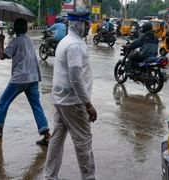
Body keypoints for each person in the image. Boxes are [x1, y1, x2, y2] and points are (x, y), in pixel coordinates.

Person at [44, 12, 98, 180]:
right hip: (73, 102)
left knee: (57, 138)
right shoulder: (74, 45)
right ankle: (89, 177)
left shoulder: (66, 41)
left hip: (61, 99)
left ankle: (50, 175)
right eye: (86, 24)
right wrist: (88, 104)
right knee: (83, 141)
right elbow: (75, 77)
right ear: (78, 24)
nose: (89, 27)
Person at [0, 18, 51, 146]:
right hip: (33, 78)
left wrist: (1, 41)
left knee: (4, 101)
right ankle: (46, 134)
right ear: (26, 28)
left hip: (20, 78)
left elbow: (2, 56)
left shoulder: (15, 42)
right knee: (36, 106)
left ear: (14, 29)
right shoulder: (29, 41)